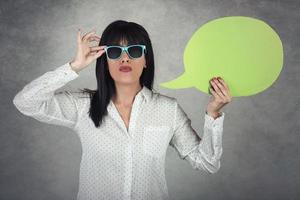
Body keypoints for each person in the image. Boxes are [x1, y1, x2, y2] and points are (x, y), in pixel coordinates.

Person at [13, 20, 232, 200]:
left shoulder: (168, 109)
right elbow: (25, 102)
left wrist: (213, 113)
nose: (125, 57)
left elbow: (207, 163)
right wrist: (74, 66)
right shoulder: (83, 106)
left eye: (135, 50)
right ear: (105, 60)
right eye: (115, 51)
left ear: (146, 60)